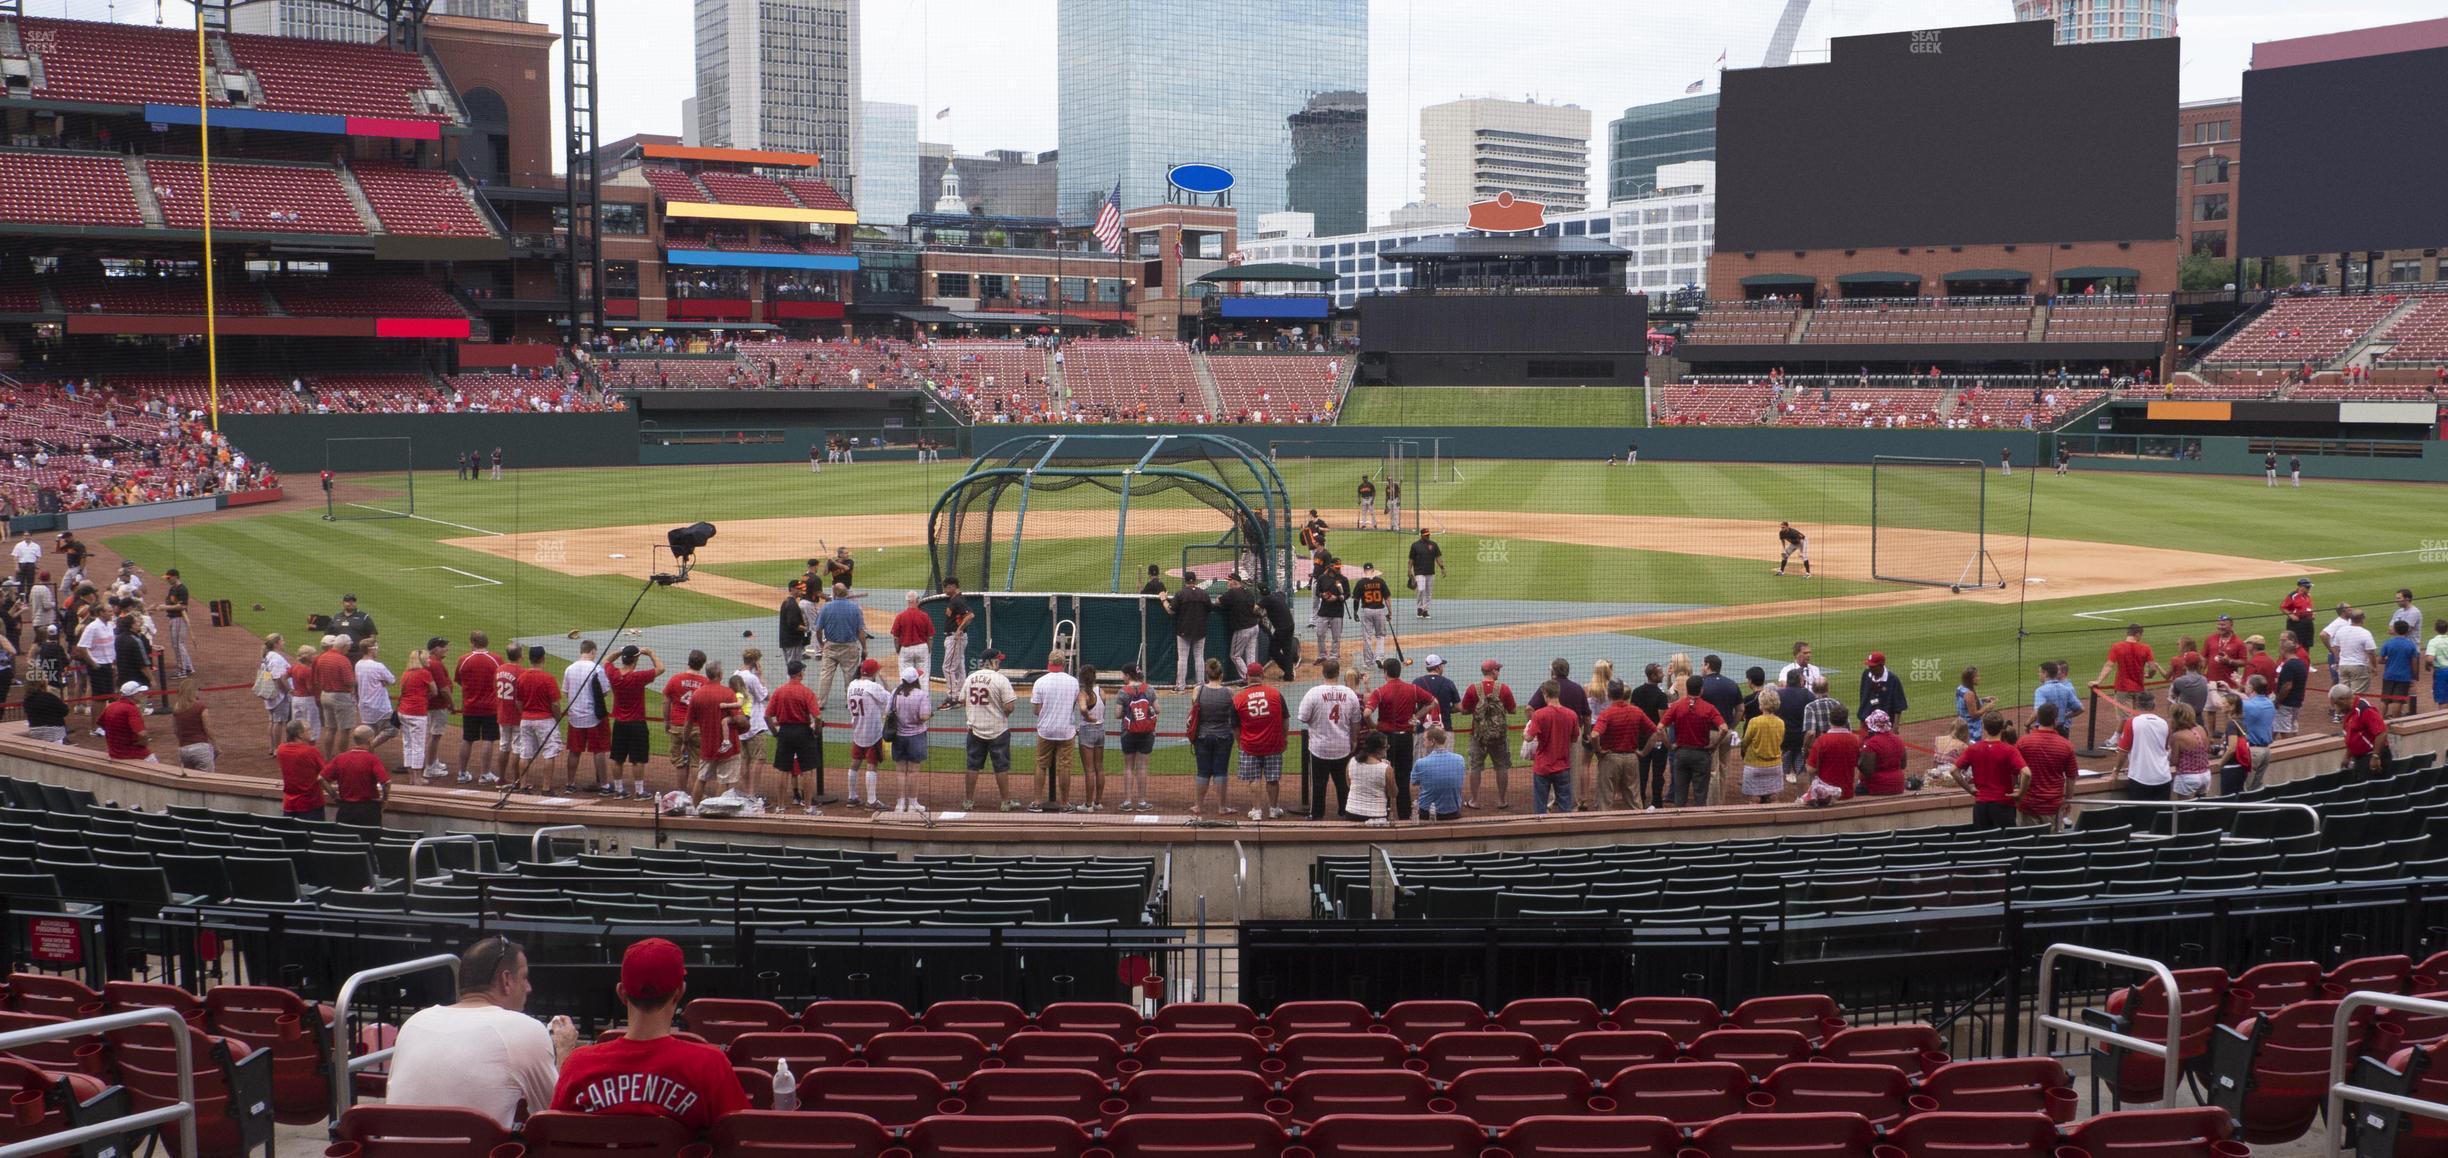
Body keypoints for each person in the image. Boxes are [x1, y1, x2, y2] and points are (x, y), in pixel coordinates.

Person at [550, 939, 748, 1129]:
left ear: (621, 992)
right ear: (679, 992)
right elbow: (742, 1139)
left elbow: (555, 1138)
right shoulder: (709, 1065)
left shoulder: (578, 1064)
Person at [388, 937, 579, 1129]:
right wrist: (563, 1052)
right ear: (506, 980)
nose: (529, 987)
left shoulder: (414, 1023)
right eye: (524, 977)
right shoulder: (523, 1028)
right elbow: (556, 1119)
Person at [1366, 657, 1437, 820]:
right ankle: (1404, 815)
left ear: (1385, 673)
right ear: (1399, 671)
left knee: (1383, 775)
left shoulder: (1380, 691)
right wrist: (1416, 716)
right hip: (1405, 740)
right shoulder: (1412, 689)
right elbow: (1433, 702)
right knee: (1403, 778)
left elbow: (1367, 713)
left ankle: (1382, 812)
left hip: (1385, 742)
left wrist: (1373, 727)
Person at [956, 650, 1021, 811]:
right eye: (997, 661)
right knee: (1001, 767)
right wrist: (1001, 714)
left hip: (975, 729)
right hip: (998, 730)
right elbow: (1010, 706)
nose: (999, 663)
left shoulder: (971, 678)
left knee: (972, 766)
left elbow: (962, 700)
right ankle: (1005, 802)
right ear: (990, 662)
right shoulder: (1001, 679)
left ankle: (968, 801)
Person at [1297, 657, 1360, 820]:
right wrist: (1354, 740)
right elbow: (1356, 722)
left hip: (1319, 748)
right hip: (1342, 747)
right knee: (1343, 784)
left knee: (1318, 784)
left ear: (1323, 672)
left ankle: (1316, 815)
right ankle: (1345, 813)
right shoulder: (1350, 693)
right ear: (1338, 673)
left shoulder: (1313, 693)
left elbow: (1303, 718)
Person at [1458, 660, 1515, 811]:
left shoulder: (1472, 689)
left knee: (1475, 767)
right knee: (1501, 767)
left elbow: (1464, 710)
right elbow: (1513, 710)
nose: (1499, 672)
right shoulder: (1504, 688)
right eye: (1497, 669)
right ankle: (1502, 801)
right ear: (1492, 671)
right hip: (1499, 737)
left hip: (1478, 736)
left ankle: (1474, 800)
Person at [607, 646, 663, 800]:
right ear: (635, 660)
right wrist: (651, 653)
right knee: (638, 759)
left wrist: (620, 650)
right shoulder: (638, 677)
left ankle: (619, 790)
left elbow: (606, 660)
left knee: (617, 758)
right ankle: (639, 791)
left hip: (619, 723)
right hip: (637, 723)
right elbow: (660, 668)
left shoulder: (613, 674)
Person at [1233, 663, 1288, 820]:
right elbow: (1285, 719)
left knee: (1254, 778)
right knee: (1272, 778)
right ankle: (1273, 809)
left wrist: (1240, 742)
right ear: (1262, 676)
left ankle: (1256, 811)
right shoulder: (1275, 694)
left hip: (1249, 745)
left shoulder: (1238, 698)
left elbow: (1235, 726)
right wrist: (1284, 738)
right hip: (1273, 744)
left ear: (1247, 677)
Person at [1593, 679, 1658, 810]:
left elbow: (1594, 735)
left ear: (1609, 694)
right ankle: (1639, 827)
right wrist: (1644, 752)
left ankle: (1603, 826)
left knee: (1605, 800)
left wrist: (1599, 750)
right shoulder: (1636, 711)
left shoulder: (1607, 714)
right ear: (1623, 693)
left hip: (1610, 758)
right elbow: (1656, 732)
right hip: (1631, 758)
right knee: (1634, 800)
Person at [1185, 658, 1236, 816]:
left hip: (1202, 737)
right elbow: (1232, 715)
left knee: (1203, 772)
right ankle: (1222, 807)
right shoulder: (1229, 692)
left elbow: (1194, 711)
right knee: (1221, 772)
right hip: (1223, 737)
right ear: (1221, 675)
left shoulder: (1197, 690)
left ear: (1207, 674)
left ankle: (1198, 806)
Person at [767, 660, 821, 809]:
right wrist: (816, 732)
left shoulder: (779, 691)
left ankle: (780, 807)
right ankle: (808, 807)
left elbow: (767, 716)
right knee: (807, 770)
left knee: (783, 770)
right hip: (803, 732)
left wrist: (775, 733)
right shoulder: (806, 692)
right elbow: (817, 717)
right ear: (799, 674)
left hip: (785, 732)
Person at [1030, 660, 1081, 812]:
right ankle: (1065, 804)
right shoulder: (1073, 682)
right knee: (1064, 766)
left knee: (1040, 764)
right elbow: (1075, 704)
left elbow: (1036, 710)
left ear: (1049, 663)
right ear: (1064, 665)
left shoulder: (1040, 681)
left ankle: (1037, 802)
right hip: (1066, 730)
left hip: (1046, 730)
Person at [1523, 681, 1581, 815]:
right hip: (1562, 766)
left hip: (1542, 766)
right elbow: (1574, 738)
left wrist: (1524, 733)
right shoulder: (1571, 715)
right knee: (1565, 806)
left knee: (1540, 806)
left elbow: (1529, 738)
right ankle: (1566, 831)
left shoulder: (1539, 714)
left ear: (1546, 694)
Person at [455, 631, 502, 786]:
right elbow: (500, 680)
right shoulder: (496, 659)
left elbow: (459, 680)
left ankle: (462, 773)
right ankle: (484, 774)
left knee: (467, 739)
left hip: (470, 706)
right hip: (490, 707)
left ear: (472, 643)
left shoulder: (463, 659)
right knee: (489, 739)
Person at [843, 659, 889, 809]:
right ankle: (871, 800)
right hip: (873, 732)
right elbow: (890, 700)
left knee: (855, 762)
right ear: (873, 672)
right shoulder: (873, 686)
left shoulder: (852, 684)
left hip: (857, 729)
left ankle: (852, 797)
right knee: (872, 764)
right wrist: (884, 680)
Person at [813, 584, 868, 707]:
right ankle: (850, 702)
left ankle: (821, 703)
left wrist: (822, 644)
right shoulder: (855, 608)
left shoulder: (826, 608)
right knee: (850, 674)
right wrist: (864, 648)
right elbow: (860, 631)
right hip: (849, 646)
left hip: (831, 645)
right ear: (846, 593)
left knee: (826, 675)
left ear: (834, 593)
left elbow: (818, 630)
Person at [886, 668, 930, 812]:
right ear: (916, 680)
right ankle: (912, 804)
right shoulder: (921, 695)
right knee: (913, 771)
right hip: (916, 737)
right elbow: (923, 716)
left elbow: (888, 712)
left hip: (898, 736)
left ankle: (900, 804)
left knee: (900, 771)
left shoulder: (894, 693)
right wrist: (929, 714)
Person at [329, 726, 392, 826]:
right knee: (369, 840)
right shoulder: (372, 759)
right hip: (368, 810)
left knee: (344, 840)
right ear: (370, 740)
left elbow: (321, 778)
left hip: (345, 809)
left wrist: (334, 795)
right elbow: (386, 783)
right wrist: (384, 800)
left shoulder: (340, 758)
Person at [2094, 622, 2164, 712]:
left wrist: (2098, 681)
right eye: (2141, 635)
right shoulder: (2146, 648)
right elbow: (2153, 668)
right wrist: (2150, 675)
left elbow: (2108, 666)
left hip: (2122, 688)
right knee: (2137, 717)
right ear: (2137, 634)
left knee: (2124, 719)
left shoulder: (2117, 647)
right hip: (2139, 688)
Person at [1802, 704, 1861, 806]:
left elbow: (1811, 769)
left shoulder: (1821, 741)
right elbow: (1858, 764)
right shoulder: (1855, 740)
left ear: (1829, 720)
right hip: (1847, 794)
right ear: (1846, 721)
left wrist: (1806, 756)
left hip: (1825, 797)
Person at [2112, 703, 2172, 801]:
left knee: (2140, 814)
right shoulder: (2164, 723)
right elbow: (2165, 748)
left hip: (2140, 778)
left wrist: (2116, 771)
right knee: (2161, 814)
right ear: (2153, 706)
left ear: (2136, 706)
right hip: (2163, 777)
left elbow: (2123, 751)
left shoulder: (2132, 722)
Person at [1164, 574, 1212, 692]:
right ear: (1195, 581)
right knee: (1199, 657)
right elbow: (1210, 609)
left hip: (1184, 631)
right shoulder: (1203, 594)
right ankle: (1200, 686)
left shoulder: (1181, 593)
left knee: (1183, 659)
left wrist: (1163, 599)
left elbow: (1170, 610)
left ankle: (1180, 687)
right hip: (1200, 630)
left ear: (1185, 581)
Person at [275, 721, 327, 820]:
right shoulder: (311, 751)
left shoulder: (281, 749)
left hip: (289, 804)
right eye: (308, 730)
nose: (311, 732)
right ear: (300, 734)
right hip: (311, 804)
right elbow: (325, 774)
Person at [1411, 725, 1465, 821]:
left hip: (1427, 813)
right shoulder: (1460, 759)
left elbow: (1414, 782)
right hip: (1453, 812)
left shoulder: (1421, 762)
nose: (1423, 743)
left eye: (1425, 740)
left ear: (1432, 741)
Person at [2335, 684, 2390, 775]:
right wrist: (2347, 756)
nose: (2338, 710)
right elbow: (2353, 736)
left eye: (2338, 705)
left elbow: (2382, 732)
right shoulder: (2349, 712)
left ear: (2344, 700)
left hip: (2372, 756)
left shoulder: (2365, 709)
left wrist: (2375, 756)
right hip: (2361, 758)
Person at [1076, 664, 1107, 812]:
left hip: (1088, 731)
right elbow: (1103, 710)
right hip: (1100, 730)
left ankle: (1088, 805)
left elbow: (1083, 708)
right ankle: (1097, 802)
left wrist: (1087, 717)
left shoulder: (1083, 694)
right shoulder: (1101, 691)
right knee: (1099, 767)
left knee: (1089, 770)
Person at [2165, 701, 2212, 799]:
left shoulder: (2177, 736)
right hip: (2205, 775)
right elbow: (2207, 749)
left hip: (2187, 777)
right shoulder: (2201, 729)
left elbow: (2174, 761)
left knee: (2185, 810)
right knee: (2202, 807)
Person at [1219, 573, 1263, 677]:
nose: (1228, 583)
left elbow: (1218, 601)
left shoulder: (1231, 593)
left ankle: (1247, 677)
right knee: (1251, 654)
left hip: (1243, 629)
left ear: (1234, 582)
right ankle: (1255, 676)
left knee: (1235, 655)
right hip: (1254, 627)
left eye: (1229, 581)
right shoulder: (1248, 592)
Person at [1311, 557, 1349, 672]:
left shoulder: (1343, 579)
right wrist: (1323, 595)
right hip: (1324, 612)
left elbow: (1347, 594)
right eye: (1336, 567)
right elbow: (1317, 592)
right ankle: (1322, 656)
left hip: (1337, 612)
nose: (1338, 569)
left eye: (1339, 567)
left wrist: (1337, 597)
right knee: (1320, 634)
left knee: (1336, 637)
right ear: (1330, 566)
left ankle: (1333, 657)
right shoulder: (1322, 578)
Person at [1858, 709, 1908, 797]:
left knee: (1857, 790)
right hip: (1898, 785)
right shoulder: (1898, 740)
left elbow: (1868, 771)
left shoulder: (1871, 743)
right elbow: (1903, 765)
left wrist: (1858, 760)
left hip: (1877, 787)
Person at [1350, 564, 1392, 667]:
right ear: (1373, 570)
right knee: (1380, 636)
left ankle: (1368, 663)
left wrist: (1355, 612)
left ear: (1364, 571)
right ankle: (1380, 658)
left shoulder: (1360, 583)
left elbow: (1356, 599)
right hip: (1379, 611)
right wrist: (1390, 612)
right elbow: (1387, 598)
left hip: (1367, 611)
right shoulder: (1380, 581)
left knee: (1367, 637)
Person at [170, 679, 215, 772]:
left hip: (183, 750)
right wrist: (216, 745)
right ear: (193, 691)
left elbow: (175, 731)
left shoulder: (177, 708)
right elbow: (208, 728)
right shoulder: (200, 706)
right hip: (200, 748)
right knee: (207, 781)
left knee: (190, 780)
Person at [99, 680, 152, 761]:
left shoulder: (111, 706)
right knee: (160, 769)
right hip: (132, 754)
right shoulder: (131, 709)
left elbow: (101, 723)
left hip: (113, 753)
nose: (142, 694)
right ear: (133, 695)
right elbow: (142, 734)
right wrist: (144, 743)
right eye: (139, 692)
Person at [1343, 732, 1390, 822]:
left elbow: (1349, 785)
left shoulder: (1352, 761)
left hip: (1352, 813)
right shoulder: (1386, 768)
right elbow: (1393, 793)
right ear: (1378, 749)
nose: (1387, 749)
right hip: (1377, 815)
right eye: (1386, 747)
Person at [2381, 619, 2422, 720]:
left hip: (2389, 675)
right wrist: (2415, 675)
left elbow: (2380, 660)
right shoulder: (2410, 645)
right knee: (2398, 700)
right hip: (2404, 676)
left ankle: (2380, 720)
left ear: (2395, 630)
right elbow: (2414, 662)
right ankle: (2396, 720)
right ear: (2407, 631)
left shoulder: (2388, 643)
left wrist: (2389, 660)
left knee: (2384, 700)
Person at [890, 591, 933, 682]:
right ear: (917, 600)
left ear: (907, 601)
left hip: (906, 649)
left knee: (905, 676)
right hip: (922, 647)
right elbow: (930, 637)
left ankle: (906, 696)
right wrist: (928, 650)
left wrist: (898, 649)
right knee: (923, 677)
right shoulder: (924, 616)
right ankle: (923, 696)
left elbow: (895, 637)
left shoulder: (900, 616)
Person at [1857, 651, 1907, 729]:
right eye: (1869, 666)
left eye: (1873, 666)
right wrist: (1861, 722)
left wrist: (1895, 727)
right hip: (1866, 723)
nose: (1870, 668)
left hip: (1884, 726)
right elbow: (1863, 698)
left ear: (1881, 665)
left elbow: (1898, 706)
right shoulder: (1866, 675)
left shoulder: (1892, 680)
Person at [2032, 661, 2083, 737]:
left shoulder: (2041, 690)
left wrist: (2027, 723)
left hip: (2049, 728)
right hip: (2060, 727)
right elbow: (2080, 709)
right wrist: (2062, 717)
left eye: (2040, 672)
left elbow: (2037, 711)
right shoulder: (2066, 689)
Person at [941, 579, 974, 693]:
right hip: (956, 637)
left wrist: (959, 629)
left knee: (948, 668)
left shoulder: (958, 600)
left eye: (946, 587)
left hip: (955, 637)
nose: (944, 589)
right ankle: (961, 693)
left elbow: (970, 615)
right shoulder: (955, 599)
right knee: (959, 666)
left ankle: (952, 695)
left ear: (953, 586)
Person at [160, 568, 192, 678]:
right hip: (173, 619)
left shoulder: (182, 589)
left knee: (178, 644)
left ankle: (182, 670)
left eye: (169, 578)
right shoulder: (173, 588)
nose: (167, 580)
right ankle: (188, 667)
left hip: (178, 619)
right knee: (178, 644)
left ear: (175, 577)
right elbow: (171, 602)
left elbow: (183, 606)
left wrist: (165, 607)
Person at [1408, 529, 1445, 618]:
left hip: (1430, 572)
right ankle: (1419, 608)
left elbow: (1438, 557)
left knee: (1428, 592)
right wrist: (1409, 570)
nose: (1428, 536)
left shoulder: (1433, 545)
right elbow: (1411, 559)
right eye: (1426, 535)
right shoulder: (1415, 545)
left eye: (1428, 534)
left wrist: (1442, 568)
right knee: (1421, 589)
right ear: (1421, 535)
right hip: (1419, 572)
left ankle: (1425, 610)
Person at [20, 678, 67, 745]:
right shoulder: (49, 697)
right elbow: (65, 711)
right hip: (54, 732)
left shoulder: (27, 700)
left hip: (36, 732)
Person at [1955, 666, 1995, 741]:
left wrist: (1983, 700)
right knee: (1974, 749)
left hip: (1962, 725)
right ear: (1970, 679)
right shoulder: (1969, 693)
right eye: (1977, 676)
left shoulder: (1960, 688)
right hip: (1971, 729)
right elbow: (1974, 715)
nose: (1979, 678)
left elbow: (1967, 704)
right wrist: (1987, 707)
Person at [2429, 620, 2448, 713]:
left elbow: (2430, 659)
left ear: (2435, 629)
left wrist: (2427, 666)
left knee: (2443, 700)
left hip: (2441, 673)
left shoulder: (2433, 642)